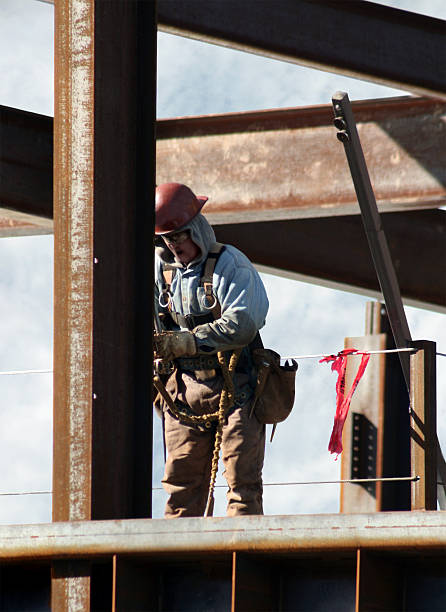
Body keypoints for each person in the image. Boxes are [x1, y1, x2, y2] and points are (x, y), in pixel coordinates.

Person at [153, 182, 269, 518]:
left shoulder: (231, 265)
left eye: (180, 236)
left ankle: (240, 558)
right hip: (184, 392)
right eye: (167, 239)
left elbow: (244, 322)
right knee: (180, 487)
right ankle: (177, 563)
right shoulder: (163, 272)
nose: (174, 245)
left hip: (237, 387)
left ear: (197, 229)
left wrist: (190, 340)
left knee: (242, 484)